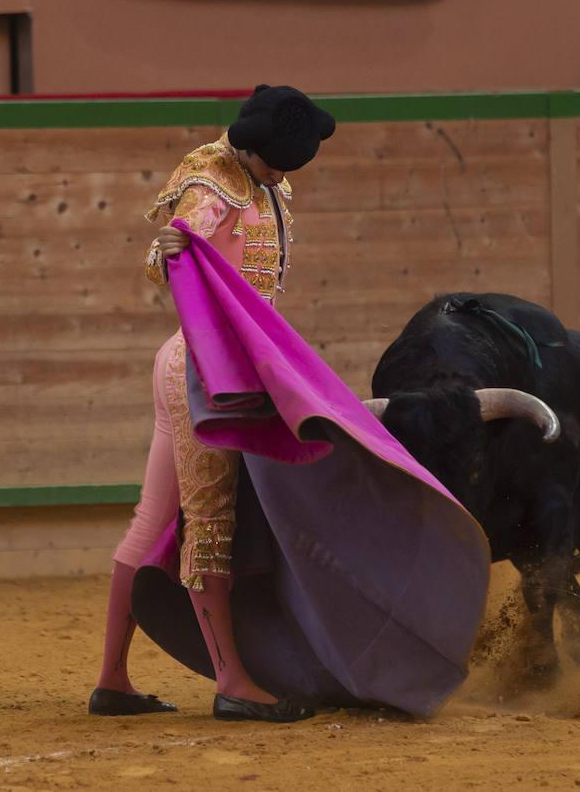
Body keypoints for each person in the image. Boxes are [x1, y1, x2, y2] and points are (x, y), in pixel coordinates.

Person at [89, 83, 334, 723]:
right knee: (210, 523)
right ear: (251, 146)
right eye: (276, 160)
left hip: (225, 366)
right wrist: (165, 250)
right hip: (203, 369)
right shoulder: (209, 182)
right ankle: (231, 681)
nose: (283, 173)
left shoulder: (266, 184)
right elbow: (162, 252)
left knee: (152, 524)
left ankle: (112, 680)